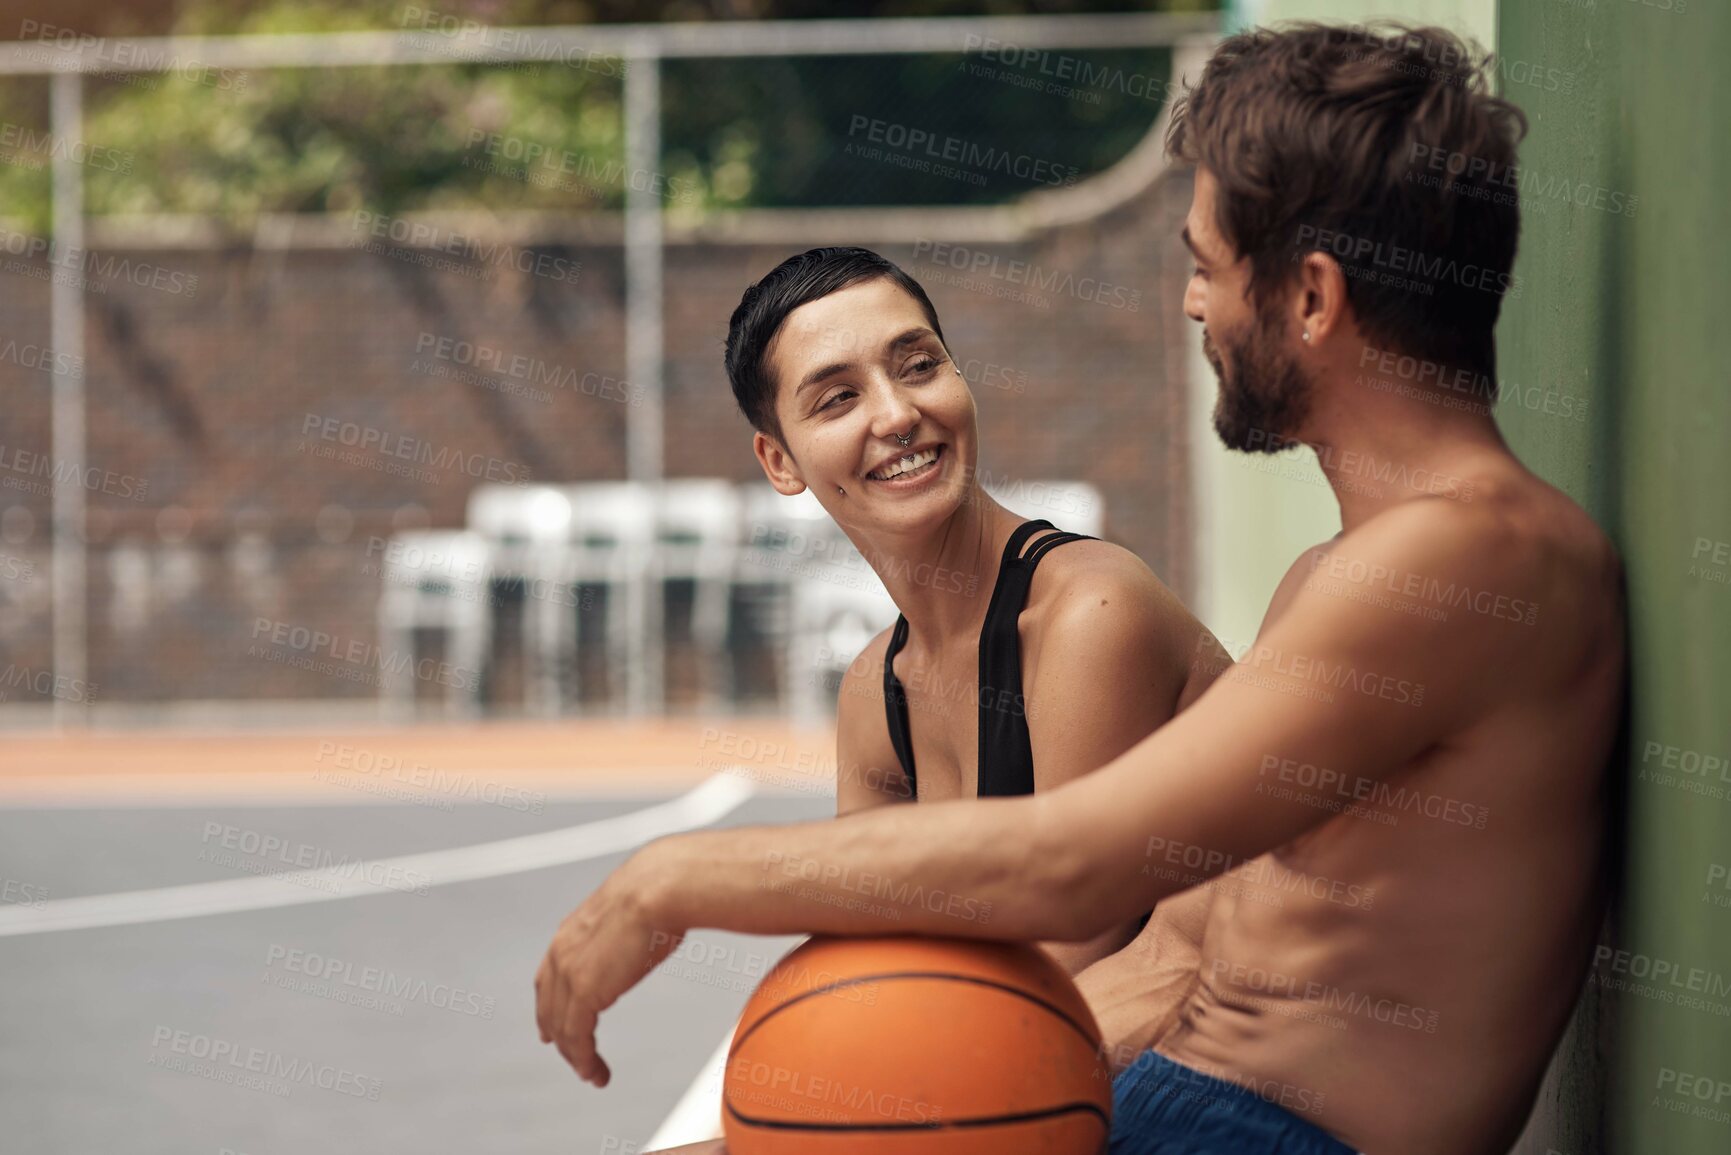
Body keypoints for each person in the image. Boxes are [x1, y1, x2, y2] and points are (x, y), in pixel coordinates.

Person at [536, 23, 1626, 1155]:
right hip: (1166, 1102)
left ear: (1309, 297)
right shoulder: (1345, 570)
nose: (1194, 306)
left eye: (1206, 266)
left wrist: (673, 878)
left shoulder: (1462, 562)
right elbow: (1163, 960)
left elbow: (1071, 867)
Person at [725, 245, 1219, 975]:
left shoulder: (1089, 612)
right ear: (780, 462)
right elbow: (869, 944)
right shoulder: (874, 690)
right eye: (837, 398)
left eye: (918, 364)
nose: (897, 413)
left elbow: (1067, 964)